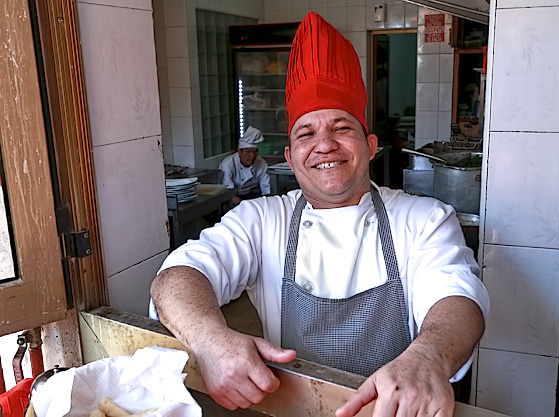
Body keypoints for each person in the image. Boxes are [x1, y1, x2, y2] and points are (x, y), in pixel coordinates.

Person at [150, 12, 489, 417]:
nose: (324, 145)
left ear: (371, 144)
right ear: (291, 159)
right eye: (306, 134)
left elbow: (458, 297)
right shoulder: (262, 221)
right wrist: (209, 339)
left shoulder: (424, 219)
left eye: (341, 128)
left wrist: (430, 356)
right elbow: (177, 277)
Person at [219, 126, 271, 205]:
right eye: (248, 152)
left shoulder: (261, 163)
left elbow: (266, 190)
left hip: (253, 195)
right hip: (235, 197)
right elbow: (228, 193)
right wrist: (245, 205)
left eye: (255, 151)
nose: (252, 156)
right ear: (239, 151)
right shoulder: (228, 164)